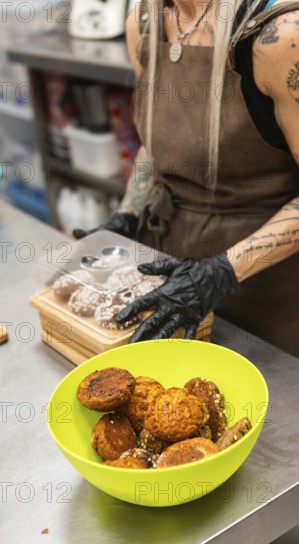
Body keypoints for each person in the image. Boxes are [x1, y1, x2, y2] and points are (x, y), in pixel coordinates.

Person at [74, 0, 299, 358]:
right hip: (171, 288)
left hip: (265, 297)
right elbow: (157, 142)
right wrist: (128, 216)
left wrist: (221, 271)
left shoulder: (281, 36)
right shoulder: (144, 22)